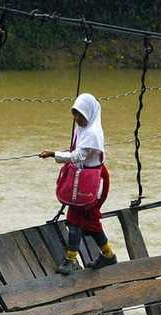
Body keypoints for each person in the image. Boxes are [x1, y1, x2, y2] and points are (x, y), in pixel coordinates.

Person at [40, 93, 116, 275]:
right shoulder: (83, 129)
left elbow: (77, 156)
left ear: (90, 114)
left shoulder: (92, 133)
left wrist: (53, 154)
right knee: (90, 220)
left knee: (75, 219)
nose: (77, 119)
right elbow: (77, 151)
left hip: (90, 184)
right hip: (85, 181)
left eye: (81, 115)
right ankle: (108, 255)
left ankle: (70, 259)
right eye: (74, 114)